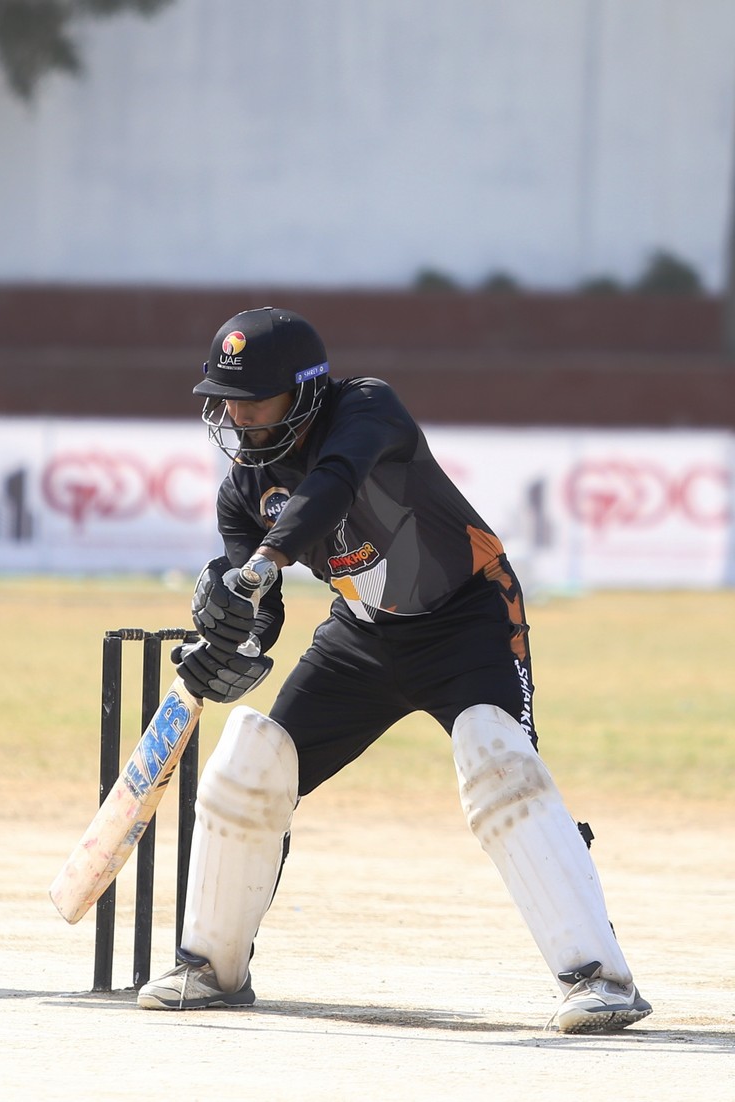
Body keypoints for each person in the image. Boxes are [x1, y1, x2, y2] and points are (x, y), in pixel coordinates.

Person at [136, 306, 652, 1034]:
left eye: (253, 399)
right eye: (226, 399)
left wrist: (262, 562)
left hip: (468, 619)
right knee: (253, 761)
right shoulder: (243, 492)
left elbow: (335, 482)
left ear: (306, 391)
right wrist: (230, 631)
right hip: (361, 636)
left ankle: (601, 980)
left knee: (499, 759)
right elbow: (263, 612)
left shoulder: (367, 407)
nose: (236, 415)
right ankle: (211, 968)